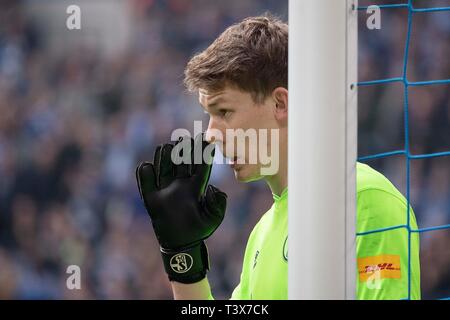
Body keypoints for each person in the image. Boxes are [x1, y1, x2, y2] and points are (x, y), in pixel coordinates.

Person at [135, 14, 420, 300]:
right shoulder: (261, 234)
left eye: (224, 112)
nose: (210, 134)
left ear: (280, 103)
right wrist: (183, 258)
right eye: (208, 116)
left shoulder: (362, 199)